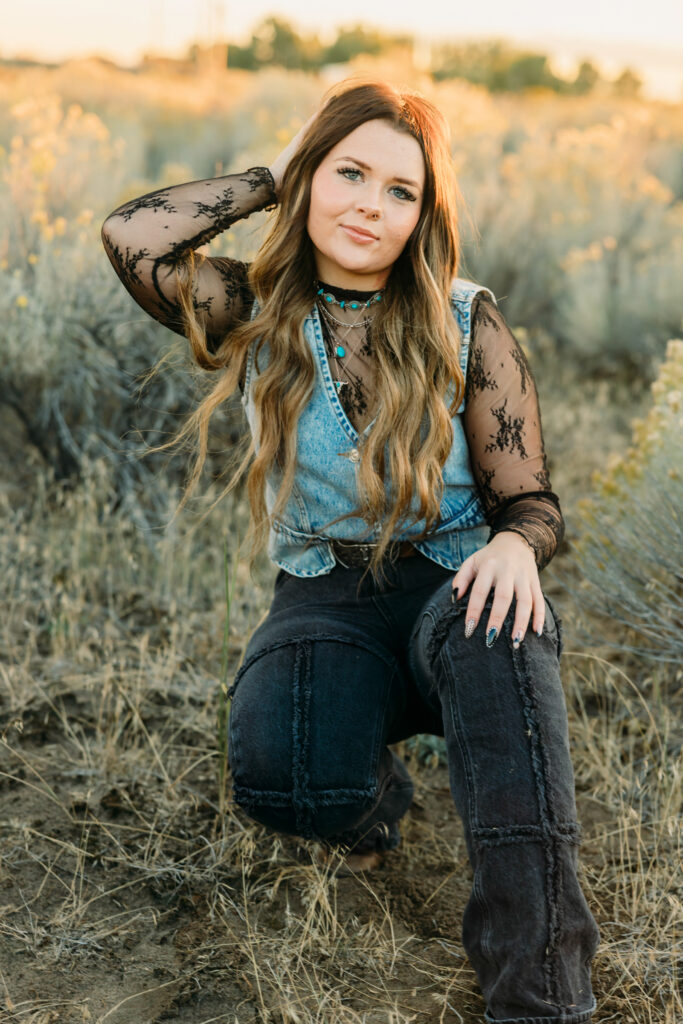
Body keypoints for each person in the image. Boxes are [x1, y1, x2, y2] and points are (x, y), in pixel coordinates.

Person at [101, 77, 600, 1023]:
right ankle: (375, 795)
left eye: (399, 191)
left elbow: (529, 498)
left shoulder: (464, 318)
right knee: (282, 774)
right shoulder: (251, 308)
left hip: (457, 580)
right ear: (309, 176)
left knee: (501, 634)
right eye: (348, 174)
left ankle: (539, 998)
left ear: (423, 215)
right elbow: (135, 238)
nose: (370, 205)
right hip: (326, 592)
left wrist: (516, 549)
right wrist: (269, 178)